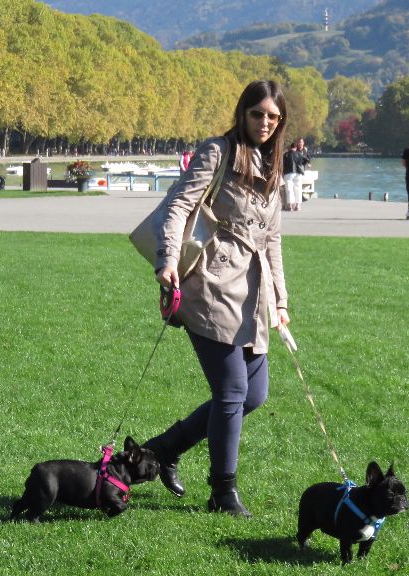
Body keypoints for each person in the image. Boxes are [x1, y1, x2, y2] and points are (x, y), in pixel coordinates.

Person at [142, 80, 290, 518]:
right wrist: (167, 260)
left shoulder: (273, 165)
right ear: (242, 112)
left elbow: (273, 238)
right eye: (257, 113)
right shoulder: (218, 152)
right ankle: (223, 492)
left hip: (253, 293)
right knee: (231, 390)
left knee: (253, 395)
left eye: (273, 117)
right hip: (210, 283)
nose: (264, 123)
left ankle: (165, 448)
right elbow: (179, 206)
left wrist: (281, 301)